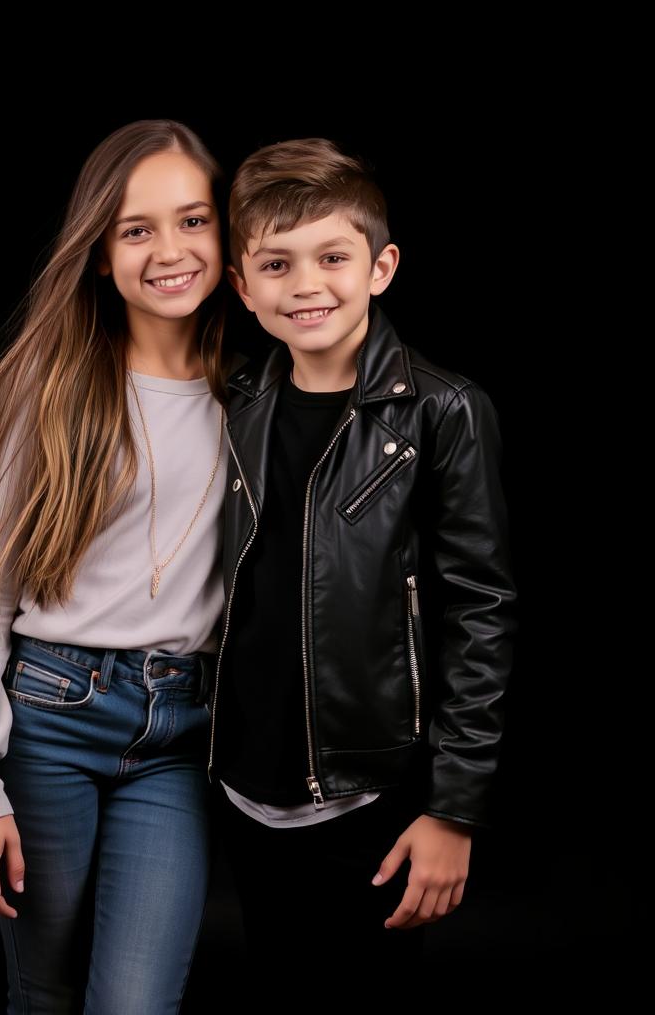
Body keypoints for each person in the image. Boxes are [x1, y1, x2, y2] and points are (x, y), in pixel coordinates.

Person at [0, 120, 234, 1012]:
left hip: (179, 734)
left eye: (193, 220)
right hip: (53, 720)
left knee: (135, 1003)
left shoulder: (253, 394)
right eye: (137, 230)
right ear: (99, 255)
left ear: (228, 232)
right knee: (47, 993)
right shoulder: (58, 390)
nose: (169, 251)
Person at [208, 138, 519, 1006]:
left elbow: (480, 610)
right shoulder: (238, 400)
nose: (305, 283)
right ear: (243, 285)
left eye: (333, 256)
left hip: (372, 788)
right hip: (245, 787)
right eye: (276, 263)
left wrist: (454, 809)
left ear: (380, 267)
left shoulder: (442, 408)